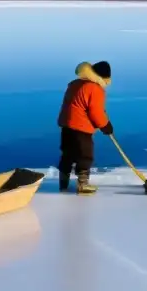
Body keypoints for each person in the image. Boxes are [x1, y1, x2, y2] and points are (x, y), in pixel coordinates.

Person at [57, 60, 114, 194]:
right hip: (81, 127)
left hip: (66, 126)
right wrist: (106, 126)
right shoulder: (95, 88)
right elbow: (96, 112)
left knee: (67, 154)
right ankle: (82, 184)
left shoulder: (75, 84)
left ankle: (63, 183)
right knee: (85, 155)